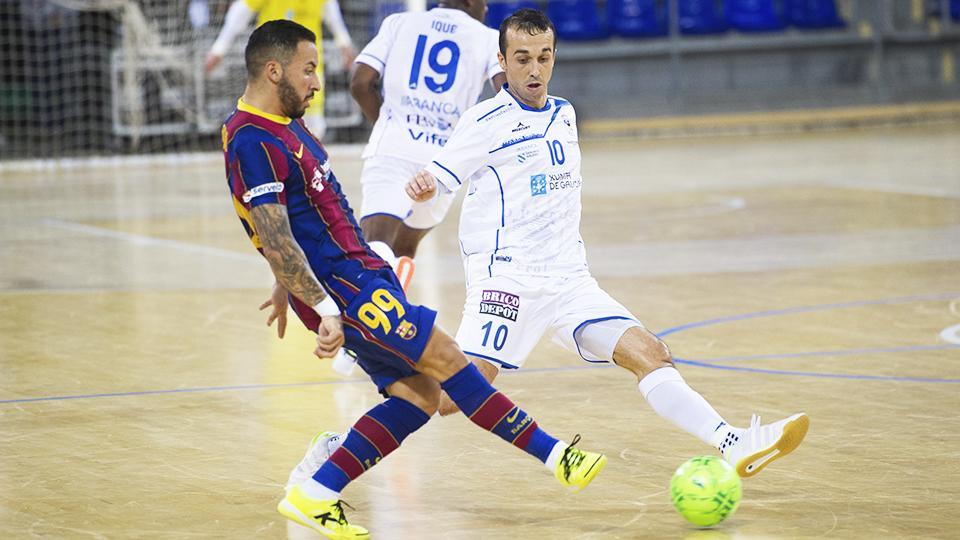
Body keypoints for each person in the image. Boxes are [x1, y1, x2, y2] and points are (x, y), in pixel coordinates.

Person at [292, 9, 809, 488]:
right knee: (447, 397)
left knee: (651, 352)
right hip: (508, 284)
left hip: (569, 282)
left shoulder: (564, 113)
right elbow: (443, 170)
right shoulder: (484, 123)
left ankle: (734, 442)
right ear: (502, 62)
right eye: (522, 59)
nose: (534, 69)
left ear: (554, 58)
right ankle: (335, 450)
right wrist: (427, 181)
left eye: (543, 57)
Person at [223, 20, 606, 539]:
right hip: (347, 286)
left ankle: (315, 490)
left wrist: (285, 283)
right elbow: (272, 236)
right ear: (274, 70)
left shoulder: (281, 122)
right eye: (308, 70)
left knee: (419, 395)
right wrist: (320, 303)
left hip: (355, 273)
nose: (317, 82)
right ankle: (556, 455)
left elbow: (289, 221)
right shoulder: (252, 138)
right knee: (447, 359)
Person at [350, 0, 507, 290]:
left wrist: (386, 122)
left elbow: (361, 83)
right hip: (444, 162)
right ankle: (396, 303)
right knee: (405, 245)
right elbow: (507, 95)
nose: (485, 8)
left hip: (393, 148)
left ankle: (370, 322)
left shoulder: (399, 23)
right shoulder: (488, 37)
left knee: (376, 244)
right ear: (471, 2)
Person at [206, 0, 357, 138]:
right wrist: (219, 49)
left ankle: (306, 164)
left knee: (312, 126)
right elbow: (241, 12)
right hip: (272, 64)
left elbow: (333, 16)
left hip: (308, 66)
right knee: (267, 122)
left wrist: (345, 44)